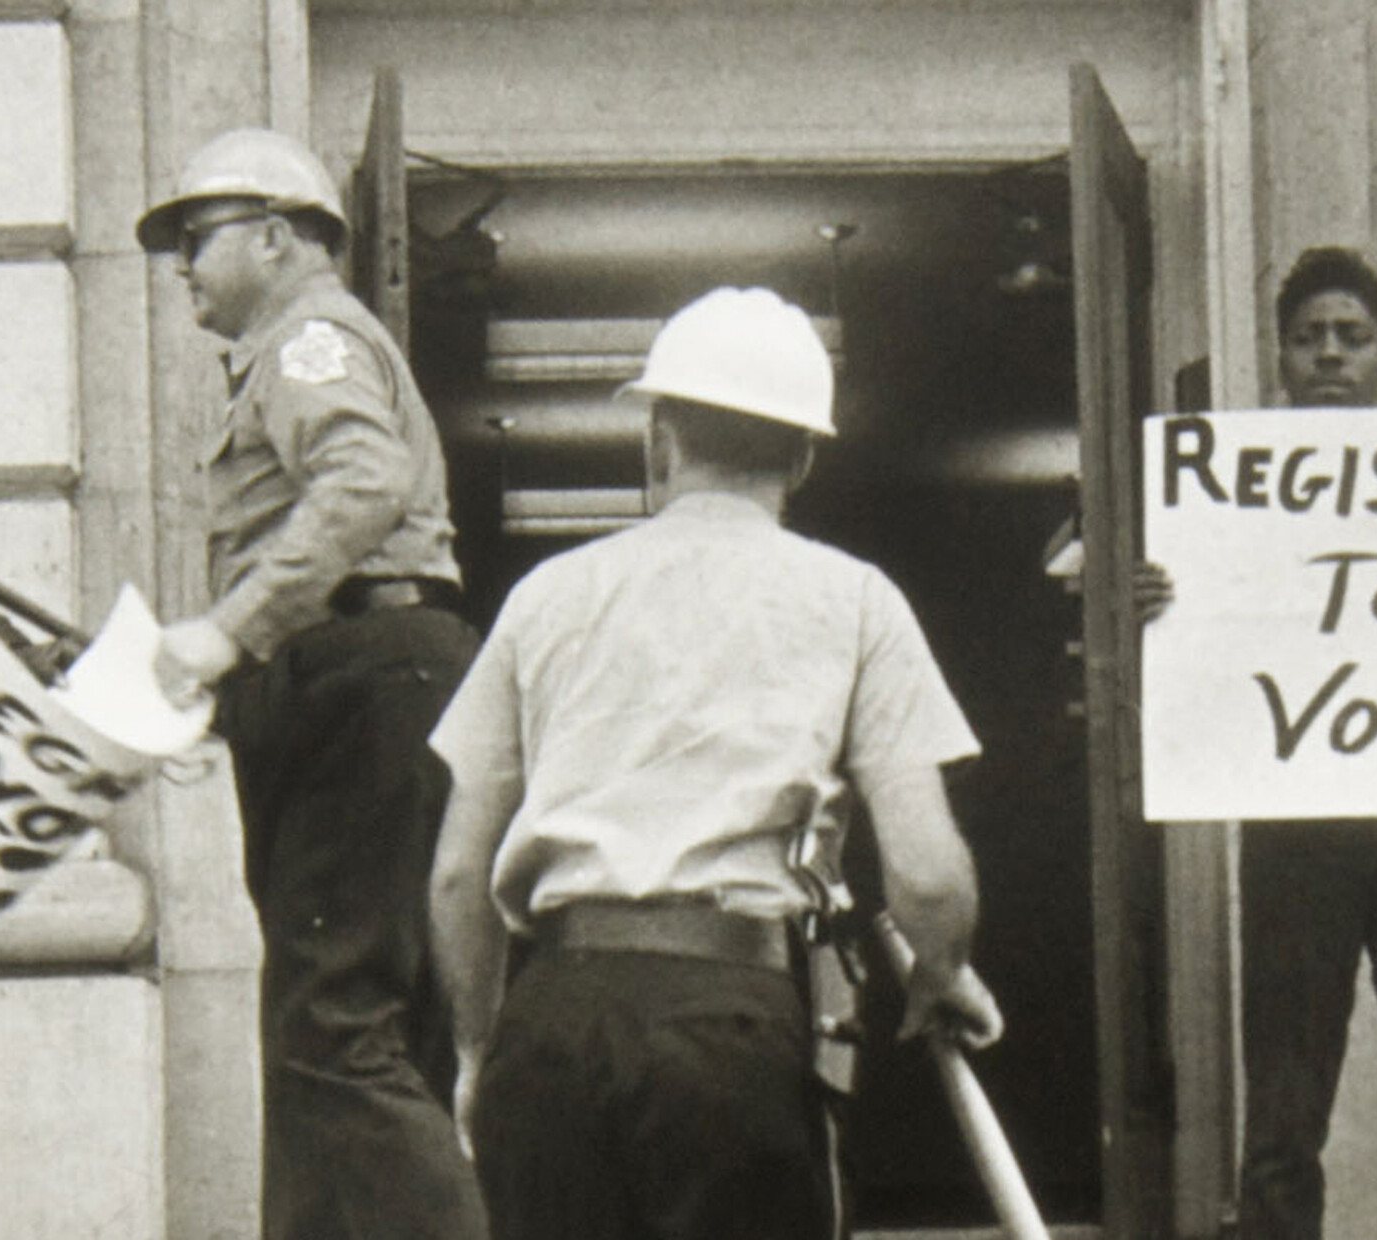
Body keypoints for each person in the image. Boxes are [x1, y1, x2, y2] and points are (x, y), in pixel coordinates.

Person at [426, 286, 1005, 1240]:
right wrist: (941, 975)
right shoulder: (856, 602)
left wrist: (480, 1051)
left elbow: (458, 874)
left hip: (554, 1026)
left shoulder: (546, 597)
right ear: (805, 458)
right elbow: (930, 880)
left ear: (658, 439)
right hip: (730, 1030)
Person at [132, 128, 486, 1240]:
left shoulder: (309, 341)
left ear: (277, 238)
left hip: (355, 673)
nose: (182, 265)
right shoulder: (298, 347)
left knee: (331, 1023)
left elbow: (363, 478)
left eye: (198, 238)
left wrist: (228, 630)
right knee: (337, 1028)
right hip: (362, 671)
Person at [1139, 246, 1377, 1240]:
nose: (1329, 354)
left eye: (1350, 336)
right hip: (1295, 831)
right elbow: (1186, 642)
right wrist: (1156, 602)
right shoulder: (1224, 497)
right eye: (1307, 338)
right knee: (1281, 1124)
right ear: (1279, 362)